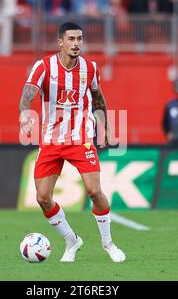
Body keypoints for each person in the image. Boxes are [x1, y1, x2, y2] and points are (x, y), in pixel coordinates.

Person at [18, 22, 125, 263]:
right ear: (60, 42)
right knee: (42, 198)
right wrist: (25, 113)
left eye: (79, 39)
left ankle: (108, 243)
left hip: (81, 138)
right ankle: (71, 240)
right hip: (51, 140)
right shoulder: (44, 66)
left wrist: (105, 126)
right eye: (71, 39)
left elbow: (98, 97)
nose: (76, 43)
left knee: (94, 191)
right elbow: (28, 94)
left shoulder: (90, 68)